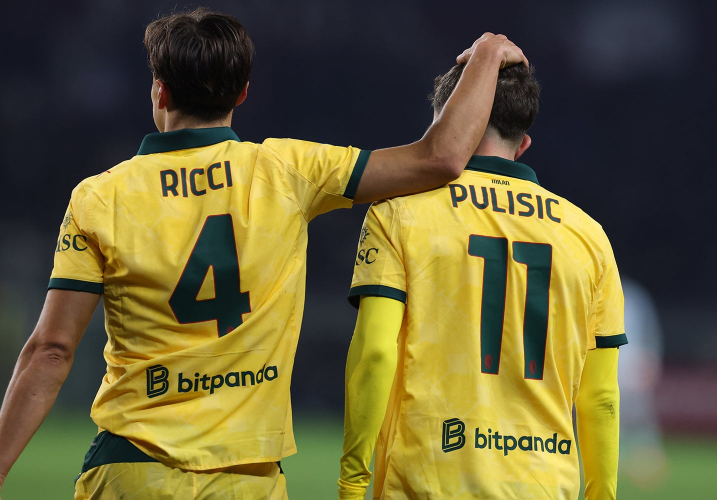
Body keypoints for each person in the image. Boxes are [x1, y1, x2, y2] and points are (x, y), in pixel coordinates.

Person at [0, 7, 528, 500]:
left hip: (132, 468)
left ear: (160, 91)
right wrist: (486, 54)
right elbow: (440, 158)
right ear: (243, 93)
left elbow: (51, 351)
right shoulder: (288, 171)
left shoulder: (100, 197)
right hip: (249, 478)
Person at [338, 63, 627, 499]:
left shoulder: (398, 214)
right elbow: (600, 396)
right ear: (523, 144)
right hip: (542, 487)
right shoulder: (588, 237)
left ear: (445, 124)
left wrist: (351, 485)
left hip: (428, 482)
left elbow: (375, 354)